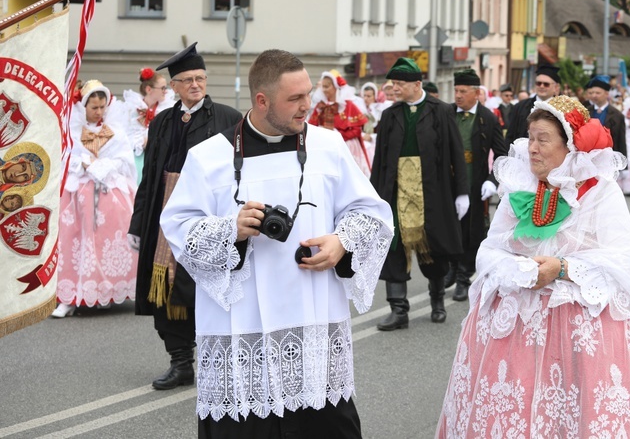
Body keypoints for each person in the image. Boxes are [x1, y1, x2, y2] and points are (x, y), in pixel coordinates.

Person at [160, 49, 393, 437]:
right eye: (295, 99)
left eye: (308, 94)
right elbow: (178, 227)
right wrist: (229, 229)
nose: (308, 105)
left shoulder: (328, 146)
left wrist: (341, 242)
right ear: (262, 101)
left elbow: (373, 213)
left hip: (313, 326)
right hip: (241, 332)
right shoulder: (209, 158)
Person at [436, 95, 630, 437]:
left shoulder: (600, 193)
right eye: (530, 138)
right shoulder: (519, 187)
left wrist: (562, 268)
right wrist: (517, 270)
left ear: (570, 146)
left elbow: (622, 261)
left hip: (580, 326)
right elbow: (490, 249)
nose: (532, 148)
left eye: (543, 139)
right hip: (518, 322)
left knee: (573, 416)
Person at [128, 42, 242, 390]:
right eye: (187, 80)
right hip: (165, 211)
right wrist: (137, 224)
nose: (195, 85)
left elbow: (239, 174)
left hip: (208, 215)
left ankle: (216, 361)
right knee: (163, 287)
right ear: (174, 86)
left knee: (204, 286)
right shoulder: (162, 122)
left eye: (200, 78)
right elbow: (149, 176)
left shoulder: (228, 118)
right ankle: (181, 362)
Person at [370, 57, 469, 330]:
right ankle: (398, 311)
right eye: (393, 84)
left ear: (417, 84)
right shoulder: (390, 115)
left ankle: (437, 302)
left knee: (434, 250)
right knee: (394, 248)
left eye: (400, 84)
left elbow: (456, 154)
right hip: (395, 191)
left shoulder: (442, 111)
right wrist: (373, 198)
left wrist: (462, 192)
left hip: (432, 193)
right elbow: (379, 161)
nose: (395, 88)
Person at [53, 80, 138, 317]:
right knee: (74, 242)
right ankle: (68, 295)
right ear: (83, 107)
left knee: (105, 243)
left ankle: (104, 291)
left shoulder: (116, 132)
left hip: (109, 194)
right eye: (94, 108)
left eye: (102, 107)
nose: (99, 112)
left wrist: (102, 166)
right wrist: (83, 164)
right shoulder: (71, 130)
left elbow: (125, 161)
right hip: (77, 195)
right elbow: (65, 158)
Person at [444, 69, 507, 302]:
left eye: (463, 91)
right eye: (456, 90)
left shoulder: (488, 118)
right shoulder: (447, 113)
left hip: (474, 180)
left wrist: (492, 180)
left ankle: (463, 276)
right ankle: (451, 266)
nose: (458, 95)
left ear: (477, 93)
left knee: (471, 231)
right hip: (447, 180)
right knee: (448, 226)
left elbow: (501, 154)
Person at [117, 67, 175, 184]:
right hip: (137, 159)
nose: (166, 91)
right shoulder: (131, 108)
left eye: (166, 87)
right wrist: (140, 142)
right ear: (149, 89)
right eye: (162, 88)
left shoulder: (168, 109)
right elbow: (123, 134)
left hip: (160, 158)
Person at [309, 70, 371, 176]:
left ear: (336, 87)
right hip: (325, 147)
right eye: (322, 86)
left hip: (346, 146)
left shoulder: (348, 105)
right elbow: (311, 127)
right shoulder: (320, 106)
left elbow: (357, 130)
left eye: (327, 86)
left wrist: (338, 135)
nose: (324, 90)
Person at [505, 65, 560, 145]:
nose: (541, 86)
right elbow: (510, 136)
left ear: (556, 87)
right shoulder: (520, 107)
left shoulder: (561, 109)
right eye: (538, 83)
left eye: (546, 84)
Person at [585, 74, 627, 157]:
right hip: (588, 155)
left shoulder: (617, 115)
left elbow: (621, 140)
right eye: (592, 93)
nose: (594, 96)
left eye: (598, 93)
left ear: (606, 94)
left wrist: (623, 165)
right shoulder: (585, 111)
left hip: (609, 155)